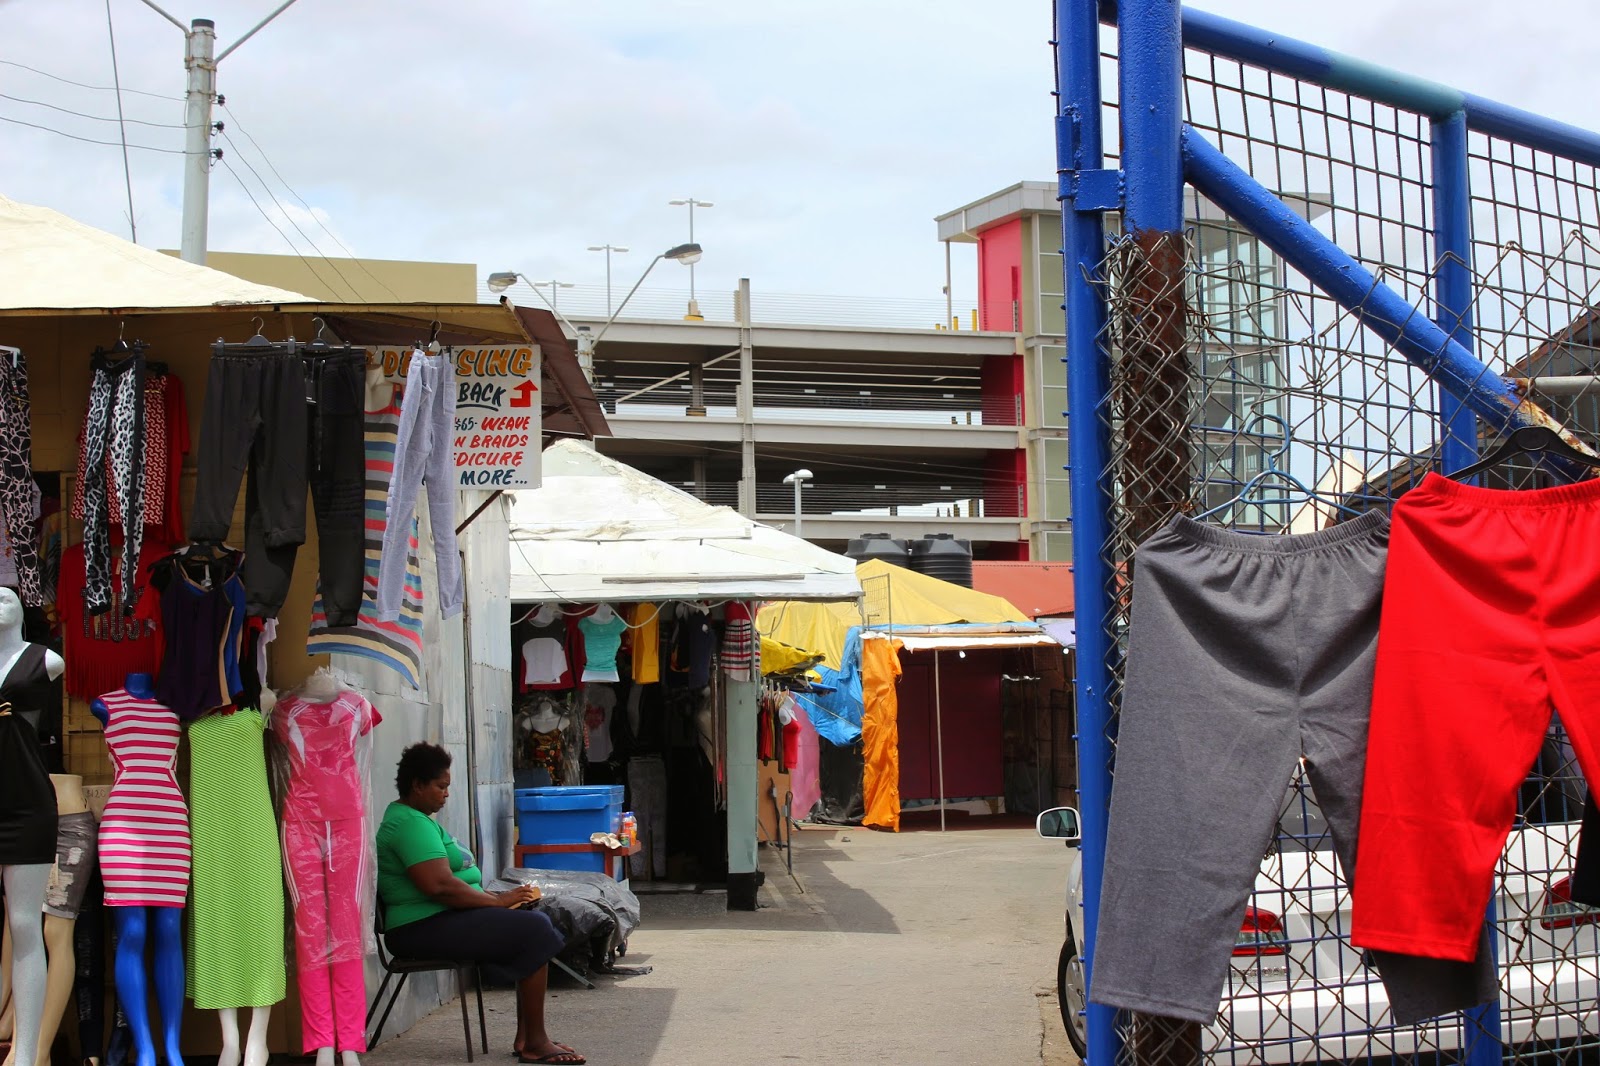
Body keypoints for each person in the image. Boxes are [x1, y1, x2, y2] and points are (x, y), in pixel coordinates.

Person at [375, 743, 584, 1065]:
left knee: (532, 920)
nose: (446, 795)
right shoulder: (408, 823)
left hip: (440, 919)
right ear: (417, 785)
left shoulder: (416, 819)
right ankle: (535, 1041)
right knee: (533, 930)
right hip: (420, 927)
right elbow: (440, 886)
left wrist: (498, 903)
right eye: (440, 787)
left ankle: (527, 1036)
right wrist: (496, 902)